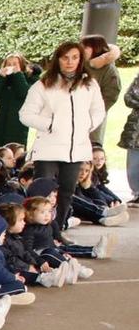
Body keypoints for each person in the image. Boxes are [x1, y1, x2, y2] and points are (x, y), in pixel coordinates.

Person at [19, 40, 107, 234]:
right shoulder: (44, 84)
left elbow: (99, 110)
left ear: (80, 60)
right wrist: (51, 125)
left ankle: (56, 233)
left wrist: (88, 125)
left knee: (67, 193)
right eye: (65, 57)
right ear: (58, 59)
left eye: (74, 57)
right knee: (42, 194)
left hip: (76, 149)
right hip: (49, 148)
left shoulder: (89, 84)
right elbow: (25, 114)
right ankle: (37, 234)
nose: (70, 62)